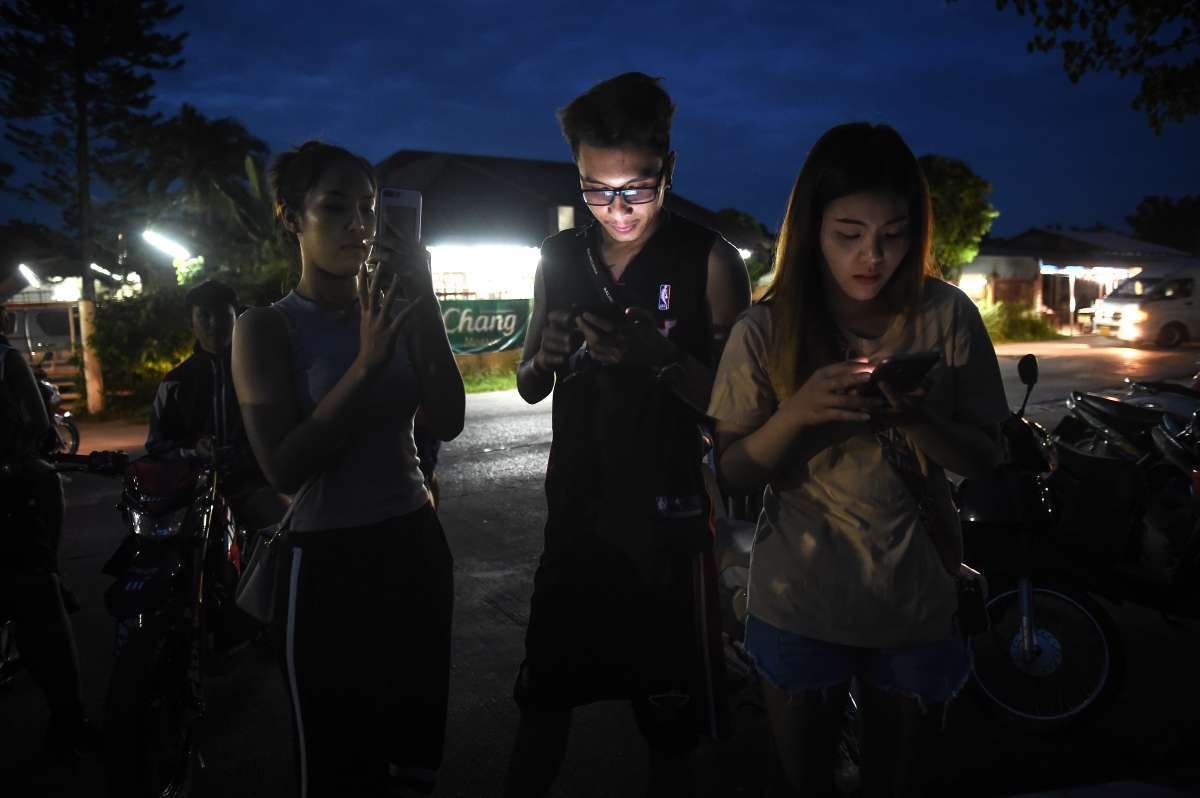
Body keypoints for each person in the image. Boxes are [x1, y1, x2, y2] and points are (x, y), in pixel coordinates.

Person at [709, 122, 1008, 797]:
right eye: (849, 233)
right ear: (811, 228)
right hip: (798, 605)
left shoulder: (948, 317)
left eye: (894, 234)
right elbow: (732, 471)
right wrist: (799, 412)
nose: (872, 255)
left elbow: (987, 457)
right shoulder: (767, 327)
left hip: (917, 603)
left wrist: (916, 417)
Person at [504, 72, 751, 798]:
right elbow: (526, 381)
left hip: (670, 530)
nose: (614, 209)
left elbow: (742, 412)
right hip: (573, 522)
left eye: (635, 188)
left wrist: (664, 360)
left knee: (668, 735)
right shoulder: (558, 256)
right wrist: (542, 357)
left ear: (669, 168)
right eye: (594, 188)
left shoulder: (708, 260)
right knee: (541, 708)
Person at [232, 140, 464, 798]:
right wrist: (365, 366)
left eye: (368, 209)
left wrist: (424, 308)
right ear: (291, 219)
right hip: (326, 561)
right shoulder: (266, 328)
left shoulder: (397, 308)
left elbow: (447, 419)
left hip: (415, 544)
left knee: (414, 752)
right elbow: (283, 468)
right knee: (336, 763)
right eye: (335, 208)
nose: (359, 226)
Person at [0, 309, 99, 754]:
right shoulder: (7, 359)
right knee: (39, 602)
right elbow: (42, 430)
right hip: (9, 497)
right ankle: (67, 718)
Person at [147, 279, 286, 532]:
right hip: (191, 491)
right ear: (191, 322)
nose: (214, 323)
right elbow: (156, 445)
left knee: (280, 531)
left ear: (237, 318)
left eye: (223, 314)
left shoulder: (262, 372)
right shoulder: (175, 383)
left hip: (252, 485)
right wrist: (193, 450)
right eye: (204, 315)